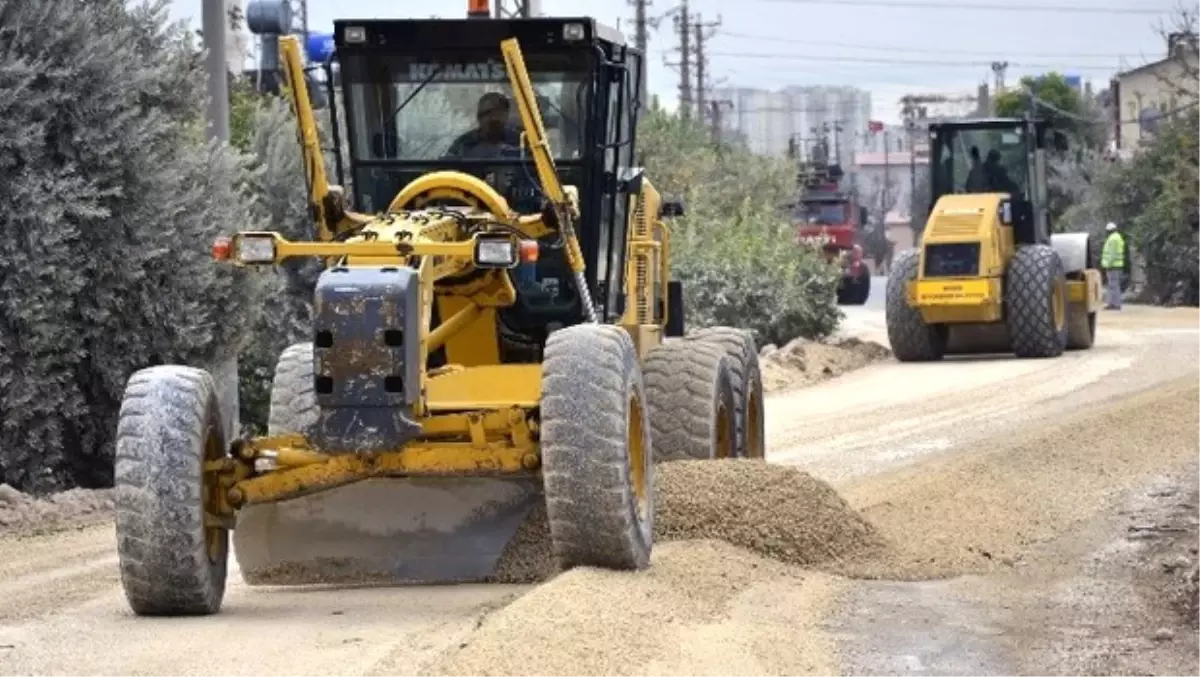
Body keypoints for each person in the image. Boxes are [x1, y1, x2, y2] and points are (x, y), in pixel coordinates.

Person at [444, 92, 522, 159]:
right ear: (479, 117)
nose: (493, 118)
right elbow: (447, 172)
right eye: (488, 113)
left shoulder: (520, 141)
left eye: (498, 113)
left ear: (506, 115)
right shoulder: (463, 144)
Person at [1101, 221, 1126, 310]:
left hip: (1113, 266)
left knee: (1113, 285)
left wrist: (1109, 264)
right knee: (1114, 285)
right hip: (1117, 265)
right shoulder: (1118, 237)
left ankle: (1114, 304)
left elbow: (1113, 253)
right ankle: (1114, 303)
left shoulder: (1113, 239)